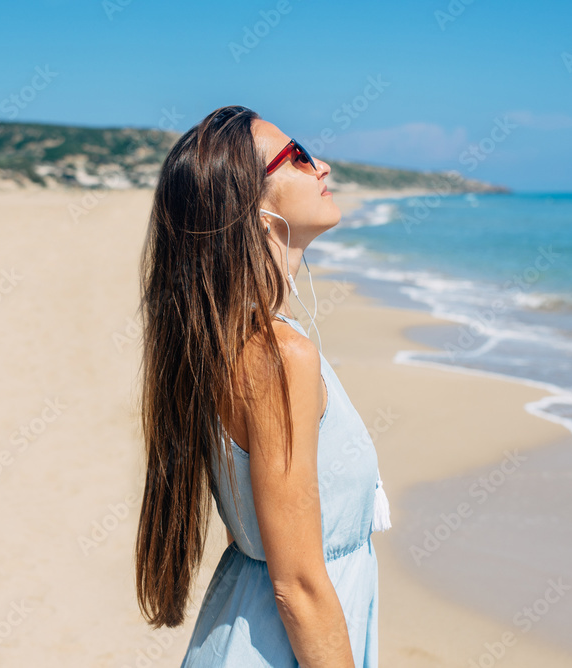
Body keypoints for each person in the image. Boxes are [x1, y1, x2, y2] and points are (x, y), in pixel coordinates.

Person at [133, 105, 390, 668]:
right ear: (250, 205)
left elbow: (251, 534)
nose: (322, 166)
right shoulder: (277, 359)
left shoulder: (220, 339)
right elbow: (297, 587)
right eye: (298, 156)